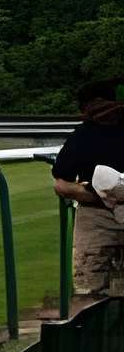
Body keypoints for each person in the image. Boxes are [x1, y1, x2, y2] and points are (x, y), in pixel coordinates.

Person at [50, 79, 124, 301]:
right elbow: (61, 182)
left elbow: (61, 183)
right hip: (97, 218)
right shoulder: (83, 135)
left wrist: (96, 195)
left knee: (91, 294)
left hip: (96, 220)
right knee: (94, 292)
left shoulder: (82, 135)